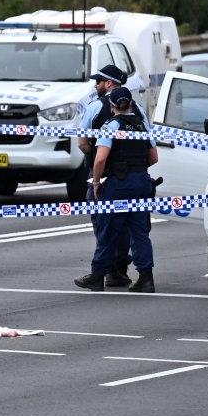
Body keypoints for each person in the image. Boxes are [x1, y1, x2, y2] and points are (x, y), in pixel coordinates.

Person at [74, 87, 159, 293]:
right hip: (141, 182)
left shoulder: (110, 126)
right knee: (139, 232)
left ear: (111, 105)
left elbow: (100, 158)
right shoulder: (141, 126)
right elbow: (153, 158)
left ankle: (97, 276)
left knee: (108, 229)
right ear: (130, 104)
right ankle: (146, 278)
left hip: (119, 184)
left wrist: (95, 182)